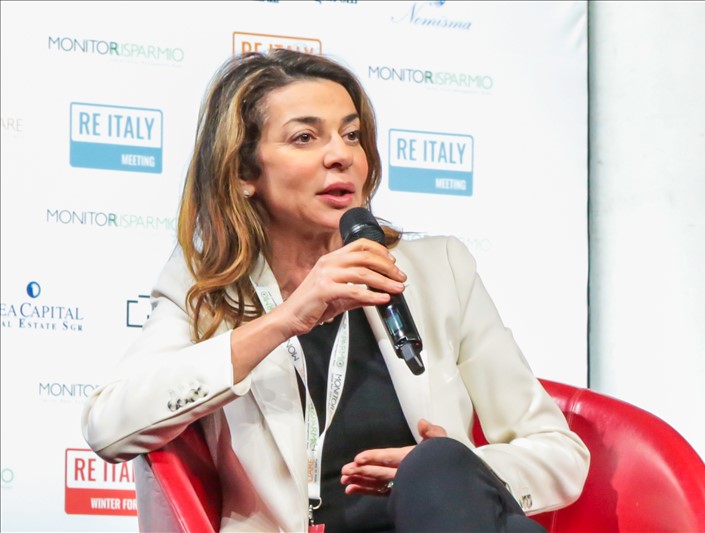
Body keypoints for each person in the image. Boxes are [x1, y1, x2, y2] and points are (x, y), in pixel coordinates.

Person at [82, 49, 590, 532]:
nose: (341, 155)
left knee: (441, 468)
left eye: (352, 135)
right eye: (305, 137)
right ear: (242, 172)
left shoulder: (440, 270)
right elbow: (109, 425)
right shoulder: (208, 288)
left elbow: (558, 453)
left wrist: (454, 473)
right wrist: (285, 320)